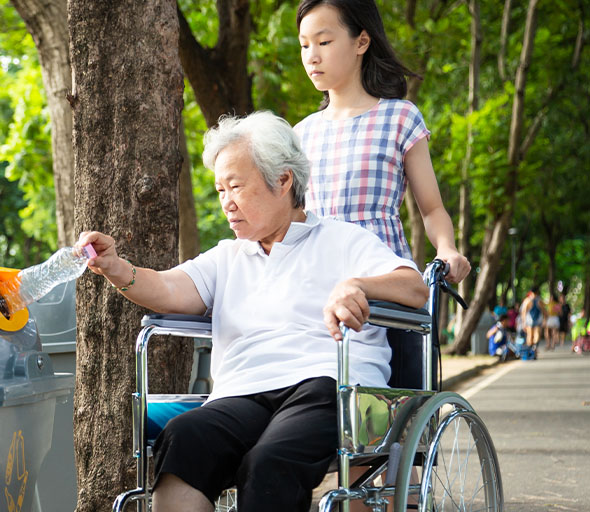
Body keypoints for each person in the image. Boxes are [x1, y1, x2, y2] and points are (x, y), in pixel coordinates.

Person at [77, 111, 428, 512]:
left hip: (327, 385)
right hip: (242, 392)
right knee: (184, 437)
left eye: (236, 186)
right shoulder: (227, 257)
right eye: (219, 189)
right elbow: (168, 288)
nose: (226, 201)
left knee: (270, 462)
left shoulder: (343, 239)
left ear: (282, 180)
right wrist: (117, 267)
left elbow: (414, 287)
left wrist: (358, 285)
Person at [293, 0, 470, 284]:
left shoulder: (400, 117)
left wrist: (446, 249)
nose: (312, 56)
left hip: (386, 287)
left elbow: (432, 209)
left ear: (361, 42)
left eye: (323, 42)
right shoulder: (300, 134)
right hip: (315, 287)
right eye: (304, 45)